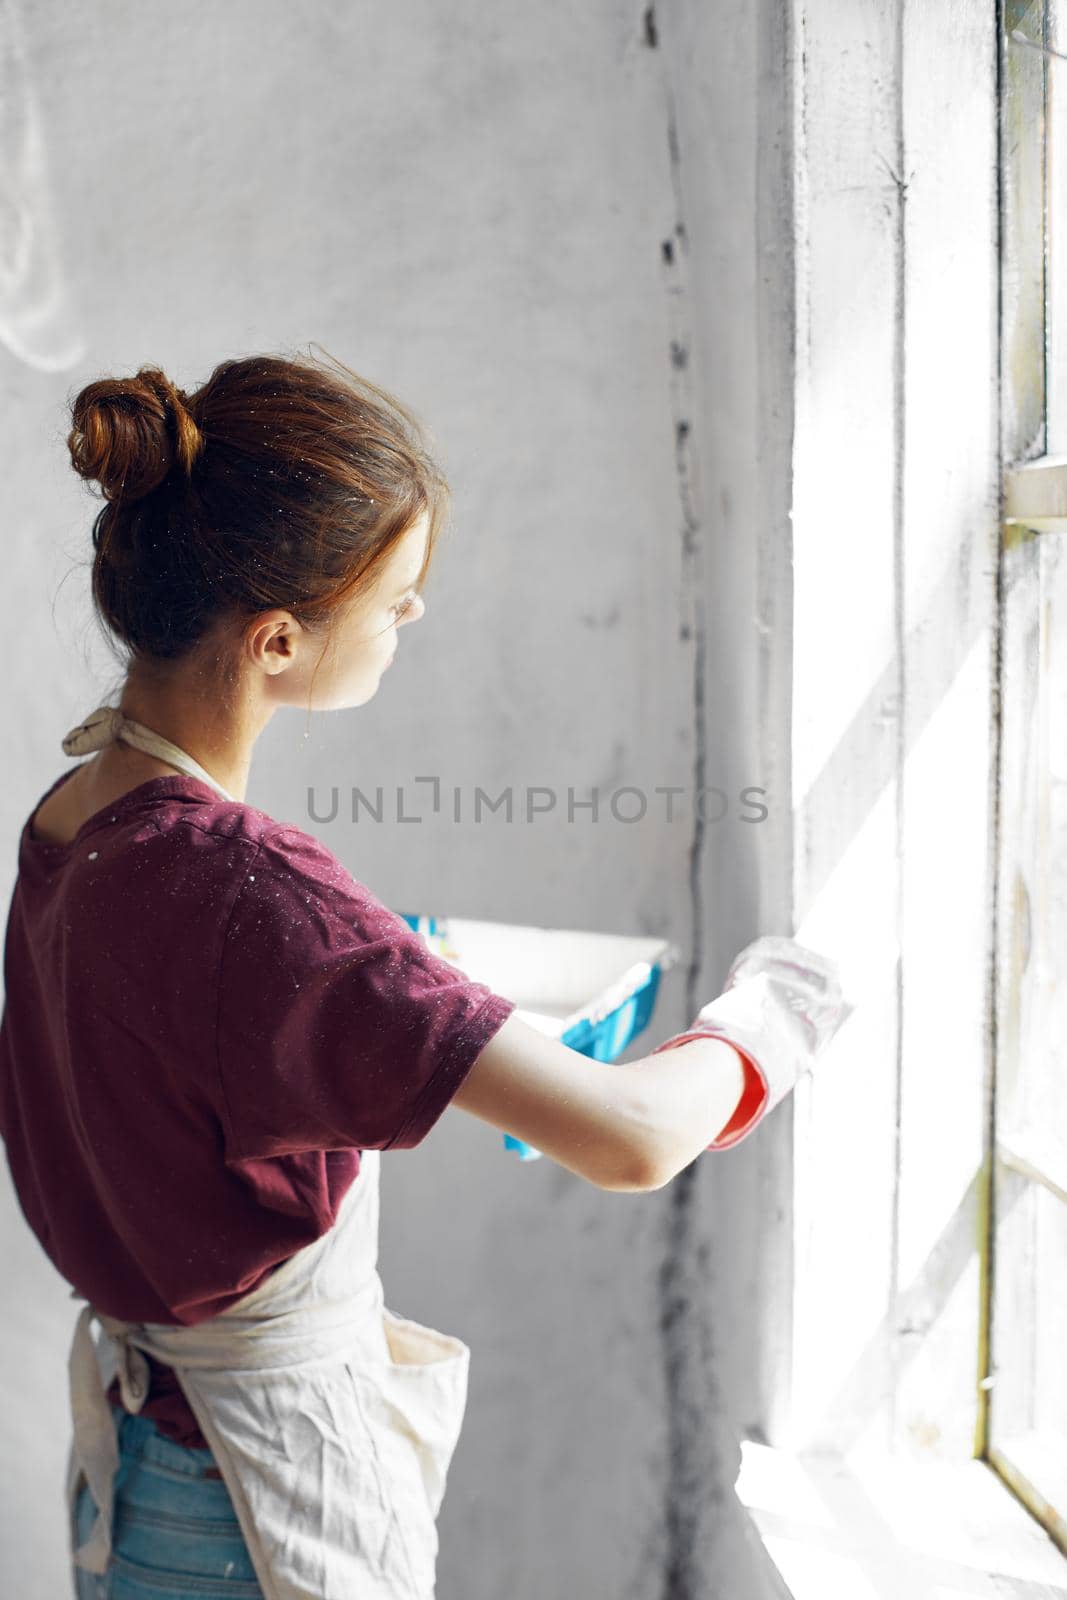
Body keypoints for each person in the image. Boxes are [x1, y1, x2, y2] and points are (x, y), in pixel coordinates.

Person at [0, 350, 845, 1600]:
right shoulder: (254, 892)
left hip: (140, 1481)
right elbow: (628, 1138)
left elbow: (194, 1031)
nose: (412, 617)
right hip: (248, 1512)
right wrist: (777, 1006)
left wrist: (401, 983)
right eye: (395, 593)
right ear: (278, 638)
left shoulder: (76, 814)